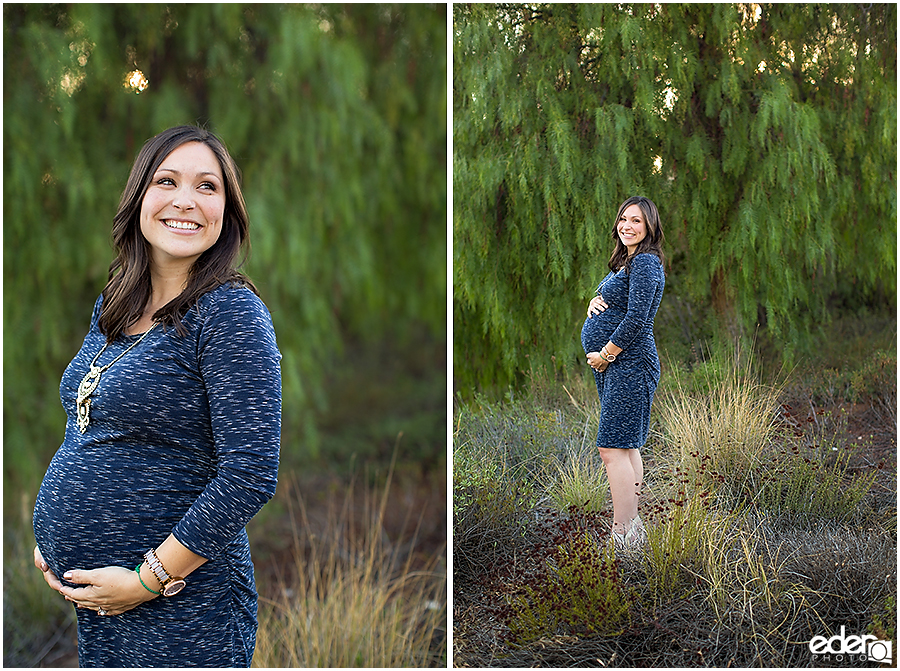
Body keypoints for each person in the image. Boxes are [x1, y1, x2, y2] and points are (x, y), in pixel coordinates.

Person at [31, 125, 282, 667]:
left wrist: (148, 579)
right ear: (140, 198)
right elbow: (90, 422)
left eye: (207, 186)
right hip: (100, 604)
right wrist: (55, 528)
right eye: (166, 181)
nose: (185, 200)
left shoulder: (229, 313)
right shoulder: (116, 302)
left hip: (185, 609)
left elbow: (251, 472)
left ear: (227, 212)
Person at [580, 196, 665, 549]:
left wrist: (606, 354)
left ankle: (622, 534)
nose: (627, 226)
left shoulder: (645, 261)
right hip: (618, 364)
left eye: (637, 221)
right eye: (623, 219)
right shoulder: (627, 261)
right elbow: (616, 300)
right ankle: (634, 531)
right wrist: (593, 302)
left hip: (629, 361)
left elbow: (638, 318)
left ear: (649, 228)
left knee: (611, 448)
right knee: (626, 447)